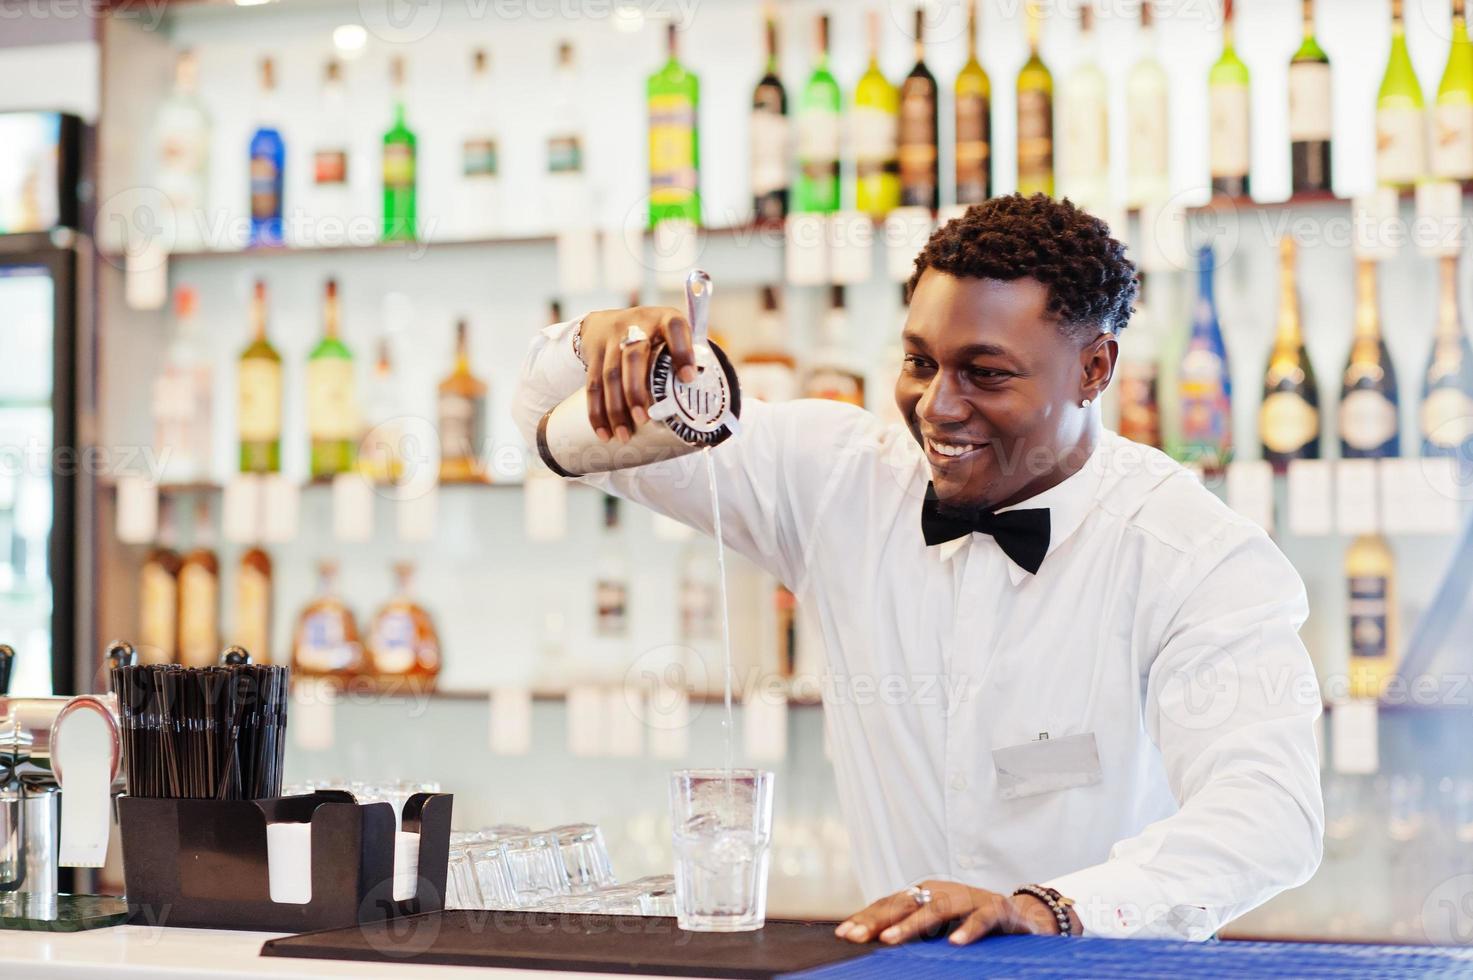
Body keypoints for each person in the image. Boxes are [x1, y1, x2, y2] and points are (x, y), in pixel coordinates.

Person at [513, 194, 1323, 945]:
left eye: (986, 372)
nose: (937, 405)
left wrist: (1042, 910)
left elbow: (1266, 817)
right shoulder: (834, 479)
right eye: (919, 362)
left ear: (1093, 369)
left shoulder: (1194, 556)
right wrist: (603, 339)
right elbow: (547, 428)